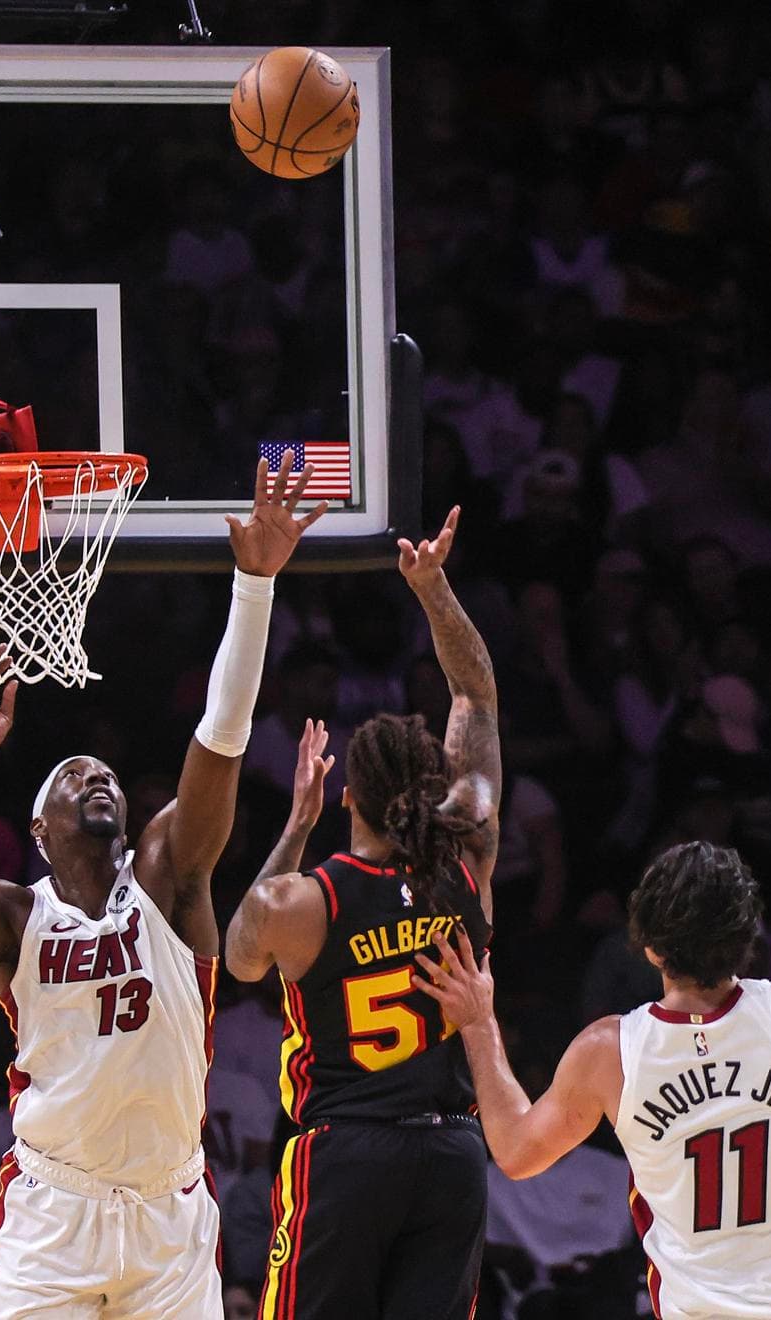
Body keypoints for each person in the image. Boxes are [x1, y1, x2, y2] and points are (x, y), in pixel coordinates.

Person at [0, 456, 324, 1318]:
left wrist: (254, 588)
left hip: (168, 1216)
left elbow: (219, 741)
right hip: (55, 1212)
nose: (97, 777)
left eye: (107, 774)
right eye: (72, 774)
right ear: (39, 830)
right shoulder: (16, 914)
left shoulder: (168, 882)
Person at [418, 850, 771, 1320]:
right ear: (749, 936)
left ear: (650, 947)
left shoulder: (607, 1051)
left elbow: (516, 1153)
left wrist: (479, 1024)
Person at [224, 506, 500, 1320]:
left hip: (347, 1152)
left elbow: (238, 957)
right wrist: (433, 589)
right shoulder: (470, 859)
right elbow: (476, 697)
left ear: (348, 797)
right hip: (451, 1151)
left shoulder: (301, 900)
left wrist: (295, 826)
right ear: (436, 791)